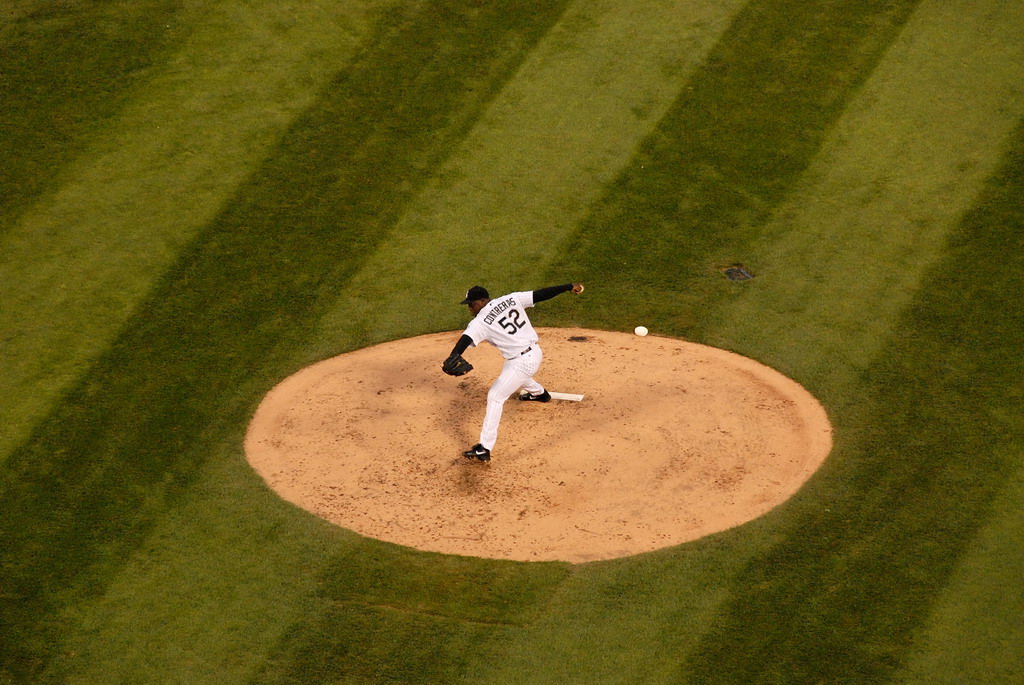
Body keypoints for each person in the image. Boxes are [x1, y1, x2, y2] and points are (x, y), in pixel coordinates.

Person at [445, 282, 584, 462]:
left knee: (495, 396)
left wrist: (453, 355)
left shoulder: (480, 321)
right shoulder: (511, 299)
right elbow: (540, 294)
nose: (470, 308)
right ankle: (540, 394)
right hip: (533, 354)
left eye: (471, 304)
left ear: (482, 301)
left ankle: (484, 447)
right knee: (513, 373)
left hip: (522, 362)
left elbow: (466, 339)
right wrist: (567, 286)